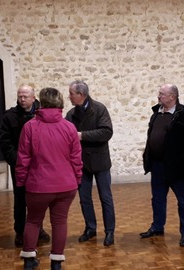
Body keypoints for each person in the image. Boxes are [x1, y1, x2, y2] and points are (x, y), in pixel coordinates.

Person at [16, 87, 82, 270]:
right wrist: (77, 178)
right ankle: (56, 263)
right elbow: (76, 157)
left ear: (41, 102)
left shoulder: (30, 127)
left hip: (38, 185)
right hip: (65, 185)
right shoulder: (69, 127)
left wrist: (21, 181)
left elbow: (23, 158)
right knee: (60, 222)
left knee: (33, 221)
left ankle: (29, 260)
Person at [140, 84, 184, 247]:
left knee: (183, 201)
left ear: (173, 97)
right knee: (157, 199)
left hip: (176, 167)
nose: (159, 96)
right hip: (157, 165)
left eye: (162, 94)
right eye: (159, 93)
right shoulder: (157, 113)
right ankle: (157, 226)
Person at [65, 80, 116, 247]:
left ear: (81, 95)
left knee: (105, 198)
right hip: (81, 163)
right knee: (84, 199)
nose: (69, 96)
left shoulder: (99, 109)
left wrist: (82, 136)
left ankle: (109, 231)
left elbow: (106, 132)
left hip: (100, 161)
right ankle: (90, 228)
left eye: (72, 93)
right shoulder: (71, 114)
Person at [0, 84, 50, 246]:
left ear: (33, 98)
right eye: (20, 96)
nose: (22, 99)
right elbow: (5, 143)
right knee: (20, 200)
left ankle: (38, 228)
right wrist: (18, 162)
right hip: (19, 166)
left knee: (39, 200)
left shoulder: (42, 114)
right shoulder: (9, 116)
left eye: (25, 96)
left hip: (39, 166)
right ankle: (20, 231)